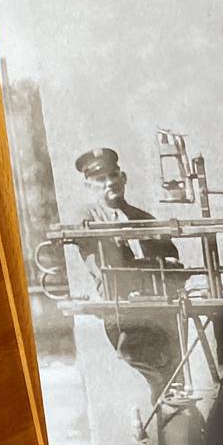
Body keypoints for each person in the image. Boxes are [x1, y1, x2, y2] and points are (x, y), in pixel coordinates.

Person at [74, 147, 183, 402]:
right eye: (101, 180)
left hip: (160, 311)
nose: (110, 183)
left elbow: (172, 260)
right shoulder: (87, 218)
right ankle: (150, 432)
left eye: (114, 176)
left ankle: (170, 434)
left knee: (173, 377)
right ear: (89, 185)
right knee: (151, 376)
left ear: (123, 178)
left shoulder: (143, 218)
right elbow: (83, 237)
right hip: (123, 313)